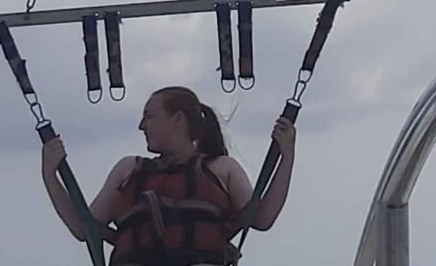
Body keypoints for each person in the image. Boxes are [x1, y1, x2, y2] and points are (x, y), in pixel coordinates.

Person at [41, 86, 297, 265]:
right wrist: (50, 175)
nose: (142, 126)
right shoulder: (128, 169)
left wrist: (286, 157)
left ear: (178, 120)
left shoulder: (220, 168)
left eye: (149, 117)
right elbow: (84, 228)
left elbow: (262, 218)